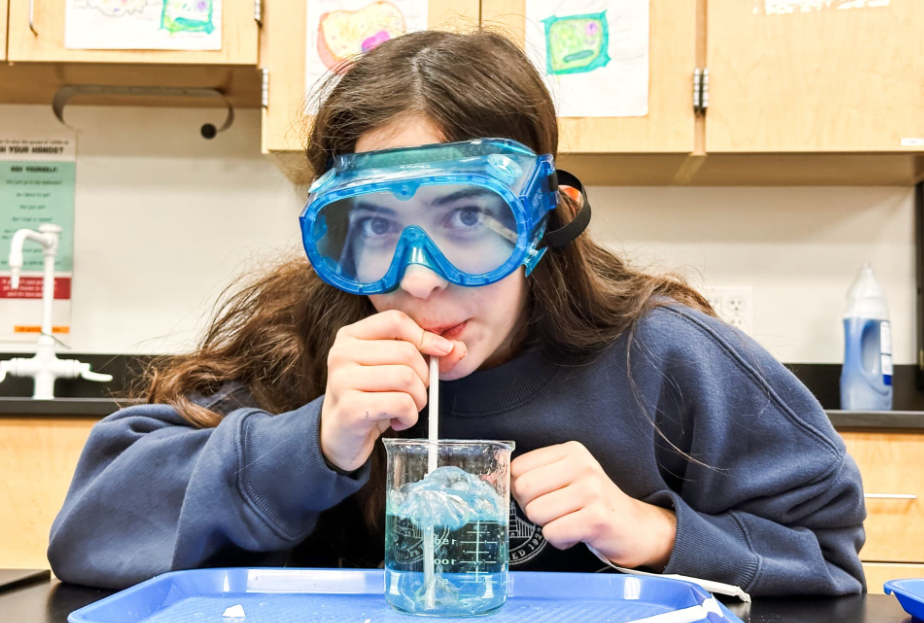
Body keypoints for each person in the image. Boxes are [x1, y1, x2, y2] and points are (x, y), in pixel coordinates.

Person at [48, 30, 865, 596]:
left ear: (542, 222)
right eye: (374, 227)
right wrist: (315, 442)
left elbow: (827, 558)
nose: (419, 280)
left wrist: (652, 533)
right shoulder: (300, 349)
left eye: (467, 219)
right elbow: (90, 533)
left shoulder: (664, 359)